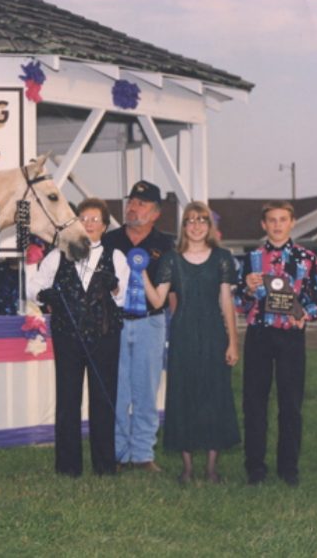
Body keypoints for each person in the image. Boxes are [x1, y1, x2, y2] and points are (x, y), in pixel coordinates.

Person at [28, 197, 130, 477]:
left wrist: (114, 287)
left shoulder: (116, 256)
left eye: (95, 219)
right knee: (68, 401)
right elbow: (33, 285)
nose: (89, 224)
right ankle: (68, 467)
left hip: (104, 337)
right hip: (67, 336)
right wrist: (41, 295)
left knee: (103, 401)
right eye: (84, 219)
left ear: (105, 225)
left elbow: (122, 299)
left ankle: (105, 465)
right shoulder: (58, 255)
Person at [142, 202, 240, 483]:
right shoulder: (171, 260)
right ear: (184, 227)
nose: (196, 225)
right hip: (183, 334)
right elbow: (159, 300)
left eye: (202, 220)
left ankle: (211, 467)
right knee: (183, 396)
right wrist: (141, 275)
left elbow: (226, 302)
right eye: (190, 220)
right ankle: (187, 468)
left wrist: (233, 342)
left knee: (214, 396)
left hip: (213, 334)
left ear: (209, 226)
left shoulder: (222, 257)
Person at [235, 201, 317, 486]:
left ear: (292, 223)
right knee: (254, 402)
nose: (277, 225)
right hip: (259, 334)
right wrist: (249, 290)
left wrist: (307, 316)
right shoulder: (250, 259)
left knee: (290, 403)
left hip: (290, 335)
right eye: (271, 220)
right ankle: (255, 467)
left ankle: (288, 467)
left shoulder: (307, 258)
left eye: (282, 219)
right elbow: (239, 302)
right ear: (264, 225)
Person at [104, 180, 174, 472]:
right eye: (131, 202)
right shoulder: (108, 241)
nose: (133, 208)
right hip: (115, 324)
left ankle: (143, 454)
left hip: (150, 323)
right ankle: (119, 453)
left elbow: (171, 291)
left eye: (141, 204)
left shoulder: (167, 244)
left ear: (156, 212)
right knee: (116, 390)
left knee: (146, 390)